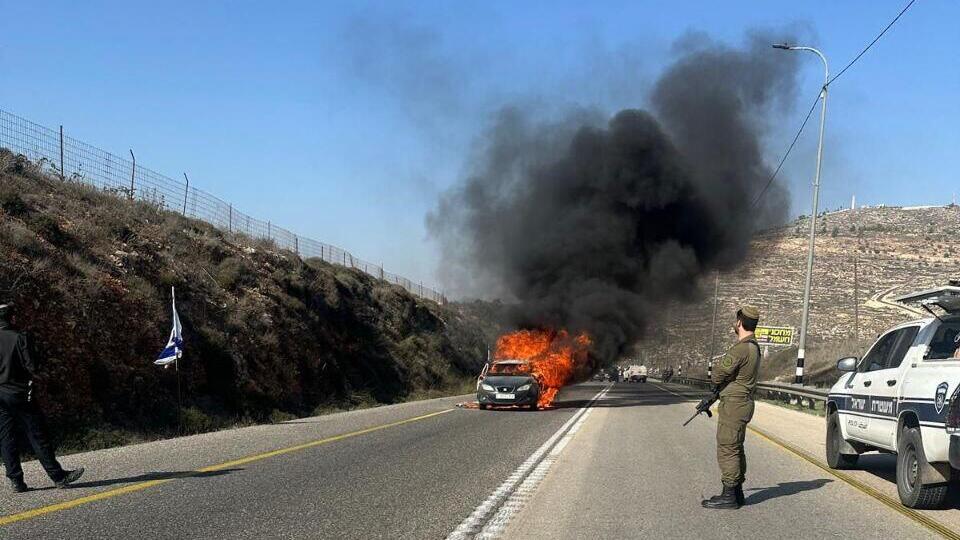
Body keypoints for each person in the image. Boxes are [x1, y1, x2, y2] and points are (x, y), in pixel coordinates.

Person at [0, 302, 83, 492]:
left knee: (6, 437)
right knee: (37, 434)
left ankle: (16, 481)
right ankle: (58, 476)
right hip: (19, 392)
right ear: (11, 317)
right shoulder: (20, 337)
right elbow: (32, 366)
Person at [701, 305, 761, 510]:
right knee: (736, 447)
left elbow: (718, 374)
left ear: (738, 323)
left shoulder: (742, 348)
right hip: (743, 402)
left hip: (734, 404)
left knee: (727, 448)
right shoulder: (755, 347)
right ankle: (737, 492)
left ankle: (729, 495)